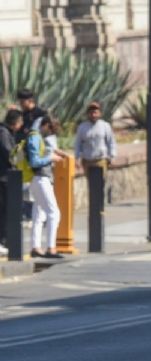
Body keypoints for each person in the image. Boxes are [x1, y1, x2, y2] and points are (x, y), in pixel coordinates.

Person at [26, 116, 67, 258]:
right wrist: (51, 158)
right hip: (41, 178)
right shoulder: (35, 137)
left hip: (38, 179)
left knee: (39, 214)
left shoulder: (38, 137)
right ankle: (51, 248)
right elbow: (34, 161)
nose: (50, 133)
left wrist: (54, 153)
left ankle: (36, 247)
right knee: (54, 213)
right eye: (50, 129)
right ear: (45, 125)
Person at [74, 101, 117, 181]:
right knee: (91, 184)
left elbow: (111, 142)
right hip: (87, 162)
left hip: (101, 161)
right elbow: (78, 144)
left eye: (95, 112)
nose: (93, 115)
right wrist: (77, 158)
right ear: (87, 114)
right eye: (91, 113)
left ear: (100, 113)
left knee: (100, 183)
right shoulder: (82, 127)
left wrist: (112, 156)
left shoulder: (105, 126)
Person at [0, 109, 23, 257]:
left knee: (7, 210)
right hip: (3, 178)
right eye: (20, 122)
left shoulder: (7, 133)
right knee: (3, 211)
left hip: (7, 178)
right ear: (15, 122)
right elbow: (10, 155)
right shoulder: (3, 133)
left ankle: (5, 241)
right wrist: (21, 154)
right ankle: (2, 241)